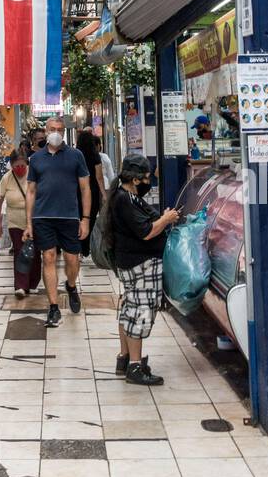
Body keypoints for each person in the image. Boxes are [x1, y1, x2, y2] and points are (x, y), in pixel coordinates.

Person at [109, 153, 180, 385]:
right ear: (135, 179)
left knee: (129, 308)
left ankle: (125, 357)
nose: (149, 181)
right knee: (140, 311)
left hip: (131, 261)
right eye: (146, 177)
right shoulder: (125, 200)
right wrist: (166, 219)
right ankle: (135, 367)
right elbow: (147, 231)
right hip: (140, 263)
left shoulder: (125, 196)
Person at [23, 115, 90, 327]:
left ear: (64, 131)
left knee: (73, 260)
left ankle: (71, 286)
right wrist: (28, 223)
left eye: (60, 129)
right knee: (48, 258)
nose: (56, 132)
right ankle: (53, 307)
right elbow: (31, 191)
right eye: (53, 128)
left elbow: (85, 188)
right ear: (45, 130)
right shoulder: (36, 159)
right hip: (43, 217)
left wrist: (86, 219)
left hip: (69, 216)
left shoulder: (76, 156)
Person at [0, 148, 41, 298]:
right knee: (20, 252)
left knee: (34, 252)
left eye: (22, 166)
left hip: (34, 220)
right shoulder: (7, 178)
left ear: (27, 164)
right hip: (15, 220)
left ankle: (33, 283)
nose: (19, 169)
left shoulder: (33, 175)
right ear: (11, 165)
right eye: (16, 166)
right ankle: (21, 286)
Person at [77, 128, 105, 258]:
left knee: (78, 218)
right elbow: (99, 177)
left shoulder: (76, 155)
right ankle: (86, 248)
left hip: (77, 190)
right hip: (92, 190)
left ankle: (79, 246)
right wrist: (104, 194)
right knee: (90, 219)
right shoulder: (95, 156)